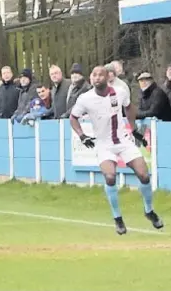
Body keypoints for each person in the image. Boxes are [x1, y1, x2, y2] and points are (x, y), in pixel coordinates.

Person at [69, 66, 163, 235]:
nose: (96, 78)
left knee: (144, 174)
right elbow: (73, 117)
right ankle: (117, 218)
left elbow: (129, 107)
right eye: (94, 75)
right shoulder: (85, 98)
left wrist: (133, 129)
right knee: (110, 176)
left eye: (100, 75)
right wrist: (82, 135)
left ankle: (149, 211)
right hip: (103, 144)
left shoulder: (119, 92)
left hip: (123, 141)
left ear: (107, 78)